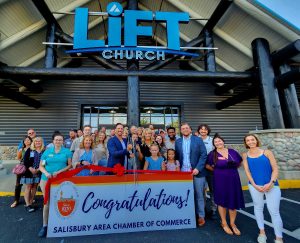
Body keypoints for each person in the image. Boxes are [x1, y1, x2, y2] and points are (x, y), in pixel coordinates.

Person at [243, 134, 283, 243]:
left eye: (252, 139)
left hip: (271, 186)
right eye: (248, 140)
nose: (250, 142)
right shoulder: (245, 155)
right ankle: (262, 232)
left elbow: (275, 169)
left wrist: (271, 182)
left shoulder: (267, 152)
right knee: (258, 207)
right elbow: (247, 172)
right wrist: (254, 185)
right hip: (254, 186)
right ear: (245, 143)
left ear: (256, 140)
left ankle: (279, 237)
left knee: (274, 211)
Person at [206, 134, 244, 236]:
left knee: (233, 200)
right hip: (220, 179)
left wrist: (232, 169)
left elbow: (240, 162)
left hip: (233, 178)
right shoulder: (212, 154)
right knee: (222, 201)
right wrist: (217, 171)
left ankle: (232, 223)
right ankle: (224, 223)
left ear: (223, 141)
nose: (218, 143)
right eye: (216, 142)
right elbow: (207, 165)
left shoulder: (232, 152)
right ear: (214, 144)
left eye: (219, 141)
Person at [38, 133, 72, 237]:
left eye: (60, 140)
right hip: (46, 180)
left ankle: (60, 222)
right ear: (53, 141)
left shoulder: (67, 152)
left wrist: (59, 172)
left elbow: (69, 165)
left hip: (60, 180)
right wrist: (46, 173)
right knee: (46, 202)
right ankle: (45, 225)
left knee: (61, 201)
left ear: (63, 141)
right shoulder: (47, 152)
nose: (58, 141)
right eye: (56, 140)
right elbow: (41, 166)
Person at [175, 123, 207, 226]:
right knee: (186, 195)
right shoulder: (178, 141)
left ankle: (201, 216)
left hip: (197, 172)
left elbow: (203, 155)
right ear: (181, 130)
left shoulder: (198, 139)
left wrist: (198, 168)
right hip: (183, 173)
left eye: (187, 128)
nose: (185, 129)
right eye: (183, 128)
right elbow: (177, 156)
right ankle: (189, 214)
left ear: (190, 129)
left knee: (199, 195)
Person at [20, 137, 44, 212]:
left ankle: (31, 202)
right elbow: (25, 161)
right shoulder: (30, 150)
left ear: (42, 142)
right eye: (36, 141)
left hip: (39, 171)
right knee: (29, 187)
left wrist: (38, 169)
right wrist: (31, 168)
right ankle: (27, 205)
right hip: (29, 171)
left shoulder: (44, 151)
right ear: (34, 142)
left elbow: (45, 161)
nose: (37, 142)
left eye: (39, 141)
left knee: (34, 187)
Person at [198, 124, 216, 219]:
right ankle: (202, 209)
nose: (203, 131)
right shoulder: (196, 139)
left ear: (208, 131)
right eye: (201, 129)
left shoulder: (212, 140)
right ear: (199, 131)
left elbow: (216, 153)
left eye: (205, 129)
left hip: (210, 168)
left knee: (213, 190)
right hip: (200, 169)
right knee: (201, 190)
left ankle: (213, 210)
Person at [11, 136, 33, 208]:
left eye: (28, 140)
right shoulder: (21, 149)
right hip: (22, 168)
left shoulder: (33, 149)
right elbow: (19, 158)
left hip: (30, 169)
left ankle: (29, 199)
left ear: (31, 141)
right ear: (23, 142)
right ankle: (16, 200)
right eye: (25, 140)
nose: (27, 141)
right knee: (18, 185)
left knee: (29, 185)